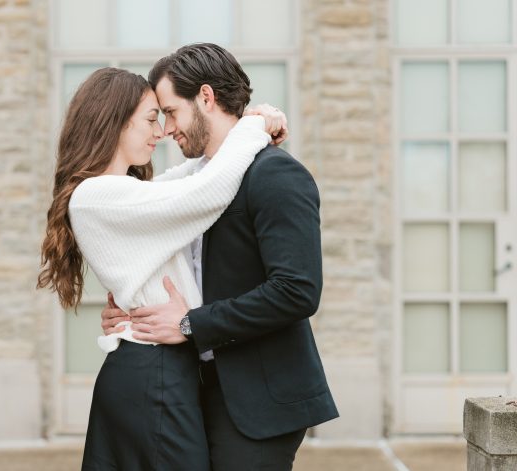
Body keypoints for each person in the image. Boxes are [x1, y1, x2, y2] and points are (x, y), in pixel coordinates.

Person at [100, 43, 339, 470]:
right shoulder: (197, 182)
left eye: (171, 112)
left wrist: (191, 325)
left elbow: (297, 291)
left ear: (205, 98)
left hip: (258, 400)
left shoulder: (276, 175)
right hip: (196, 389)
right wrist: (132, 310)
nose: (167, 129)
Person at [38, 65, 286, 470]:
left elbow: (192, 177)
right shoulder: (98, 195)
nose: (161, 132)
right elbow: (205, 191)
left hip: (158, 370)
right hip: (152, 373)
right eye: (152, 119)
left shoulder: (122, 193)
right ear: (114, 122)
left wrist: (248, 127)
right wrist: (253, 128)